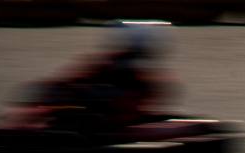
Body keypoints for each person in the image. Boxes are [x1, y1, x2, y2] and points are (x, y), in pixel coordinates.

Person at [39, 20, 175, 130]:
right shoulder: (108, 65)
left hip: (110, 119)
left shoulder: (136, 73)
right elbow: (70, 83)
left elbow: (136, 101)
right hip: (98, 117)